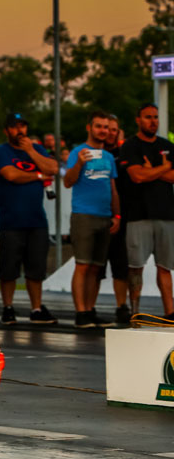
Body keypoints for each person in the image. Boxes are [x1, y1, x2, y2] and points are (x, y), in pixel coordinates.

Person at [0, 113, 59, 325]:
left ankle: (36, 309)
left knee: (36, 269)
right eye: (14, 127)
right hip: (11, 220)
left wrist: (30, 151)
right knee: (8, 269)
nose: (19, 130)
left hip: (36, 219)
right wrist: (38, 176)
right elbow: (11, 175)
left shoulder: (36, 149)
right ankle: (8, 307)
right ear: (6, 131)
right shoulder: (1, 151)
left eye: (22, 126)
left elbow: (53, 168)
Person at [63, 111, 121, 328]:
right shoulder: (78, 152)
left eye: (106, 127)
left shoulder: (108, 157)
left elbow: (112, 188)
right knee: (83, 265)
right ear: (89, 128)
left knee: (96, 268)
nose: (103, 130)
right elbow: (67, 182)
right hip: (84, 215)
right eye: (99, 126)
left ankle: (90, 309)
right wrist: (79, 163)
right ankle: (81, 313)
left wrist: (117, 215)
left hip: (105, 216)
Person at [119, 103, 174, 318]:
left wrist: (152, 171)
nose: (153, 121)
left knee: (165, 266)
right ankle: (135, 312)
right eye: (148, 117)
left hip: (166, 214)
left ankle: (170, 312)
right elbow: (137, 176)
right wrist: (165, 167)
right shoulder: (130, 146)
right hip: (138, 214)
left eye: (156, 117)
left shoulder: (167, 145)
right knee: (136, 266)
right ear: (138, 120)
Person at [99, 113, 131, 323]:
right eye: (106, 129)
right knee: (95, 266)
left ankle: (122, 306)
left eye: (113, 130)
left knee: (121, 264)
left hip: (122, 215)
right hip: (98, 213)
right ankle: (87, 309)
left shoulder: (126, 152)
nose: (109, 133)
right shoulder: (94, 152)